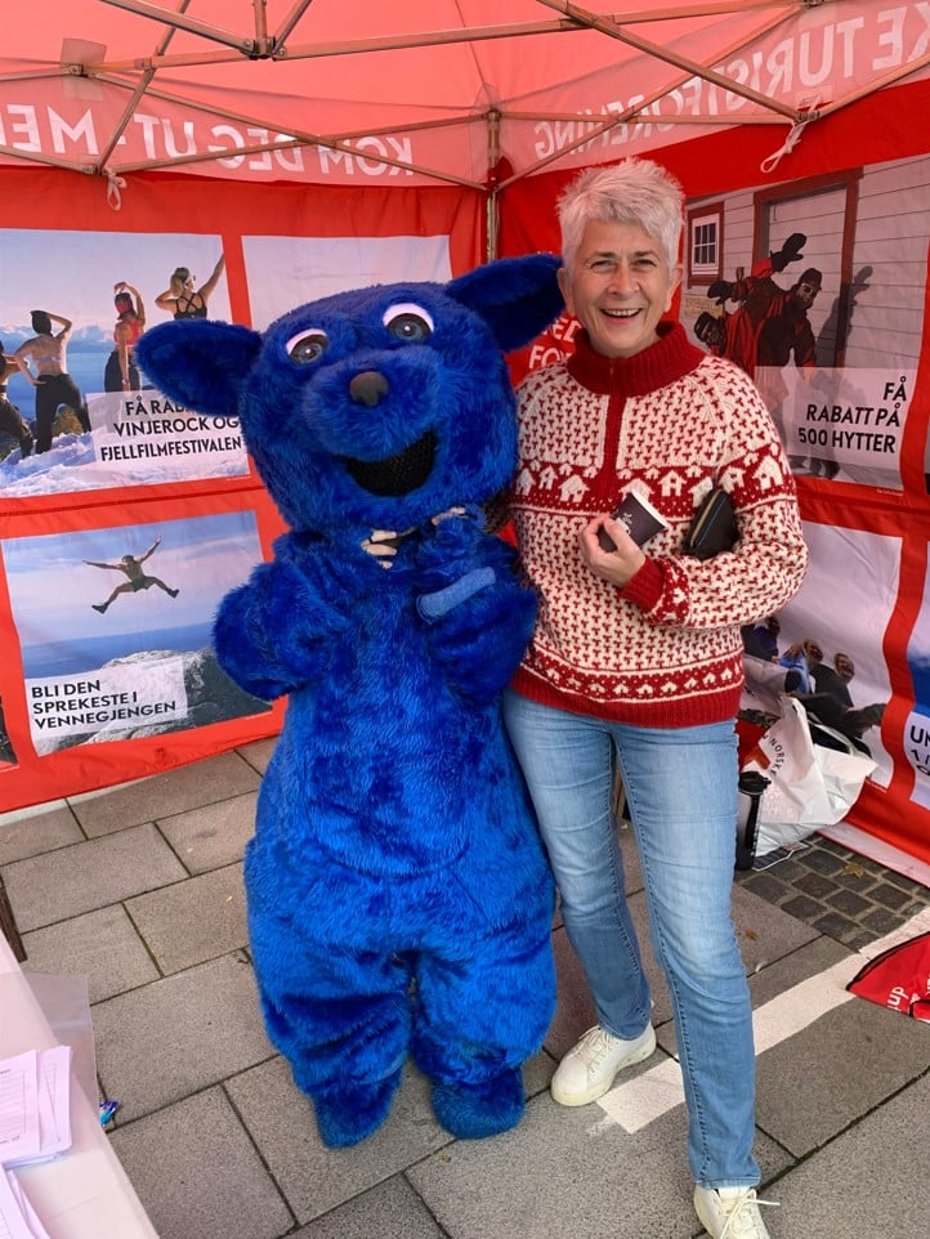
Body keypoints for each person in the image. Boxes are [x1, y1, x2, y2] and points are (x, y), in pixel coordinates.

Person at [501, 159, 808, 1239]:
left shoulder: (724, 398)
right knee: (585, 888)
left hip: (680, 705)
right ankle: (625, 1024)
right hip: (547, 696)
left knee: (698, 940)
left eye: (642, 261)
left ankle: (725, 1164)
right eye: (600, 262)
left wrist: (656, 583)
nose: (621, 283)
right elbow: (488, 518)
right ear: (568, 279)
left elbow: (778, 562)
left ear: (673, 275)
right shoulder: (535, 399)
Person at [14, 310, 91, 453]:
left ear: (35, 327)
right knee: (83, 413)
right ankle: (94, 441)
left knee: (44, 425)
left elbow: (17, 355)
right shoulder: (60, 340)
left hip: (46, 384)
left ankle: (42, 456)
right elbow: (69, 324)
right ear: (49, 325)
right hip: (65, 382)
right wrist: (49, 315)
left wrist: (30, 378)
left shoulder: (33, 343)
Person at [84, 537, 179, 614]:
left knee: (154, 579)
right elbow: (106, 566)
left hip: (144, 580)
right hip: (134, 585)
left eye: (128, 561)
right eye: (125, 561)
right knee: (118, 589)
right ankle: (104, 606)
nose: (126, 563)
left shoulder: (137, 563)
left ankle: (170, 592)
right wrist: (92, 563)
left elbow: (148, 554)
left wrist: (156, 544)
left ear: (132, 560)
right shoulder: (121, 567)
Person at [104, 282, 146, 393]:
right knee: (136, 400)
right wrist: (127, 285)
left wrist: (126, 381)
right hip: (132, 362)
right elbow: (138, 296)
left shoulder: (121, 327)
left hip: (117, 365)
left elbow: (122, 355)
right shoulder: (140, 321)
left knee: (114, 401)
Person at [155, 255, 225, 319]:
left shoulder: (175, 305)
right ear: (187, 284)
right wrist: (225, 255)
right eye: (192, 278)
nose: (193, 281)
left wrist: (173, 289)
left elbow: (158, 301)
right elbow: (216, 274)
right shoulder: (203, 295)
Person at [0, 340, 37, 459]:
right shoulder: (6, 367)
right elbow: (25, 363)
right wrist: (3, 357)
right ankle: (27, 462)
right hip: (1, 406)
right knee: (25, 434)